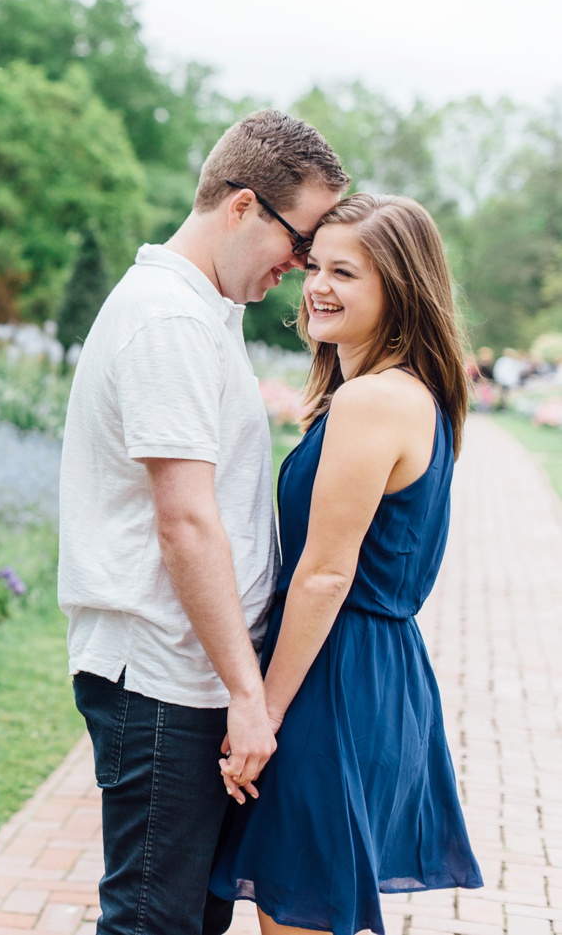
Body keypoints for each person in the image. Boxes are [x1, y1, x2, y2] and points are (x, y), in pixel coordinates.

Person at [56, 110, 348, 935]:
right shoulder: (171, 319)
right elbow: (185, 524)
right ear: (243, 207)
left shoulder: (204, 307)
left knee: (186, 919)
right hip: (164, 680)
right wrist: (247, 695)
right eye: (298, 242)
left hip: (192, 675)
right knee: (155, 921)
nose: (300, 268)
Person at [208, 193, 483, 934]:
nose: (318, 286)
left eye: (346, 272)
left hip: (334, 681)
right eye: (315, 267)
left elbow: (326, 574)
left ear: (398, 286)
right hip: (374, 674)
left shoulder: (372, 401)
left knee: (297, 915)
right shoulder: (400, 394)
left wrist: (262, 710)